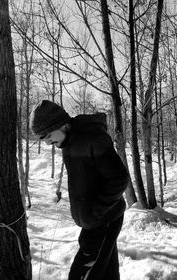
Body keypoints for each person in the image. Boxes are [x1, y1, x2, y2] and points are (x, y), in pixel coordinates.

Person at [29, 100, 129, 280]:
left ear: (61, 124)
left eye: (48, 135)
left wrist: (95, 212)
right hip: (95, 220)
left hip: (104, 219)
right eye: (42, 139)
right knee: (106, 273)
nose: (47, 142)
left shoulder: (91, 138)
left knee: (81, 275)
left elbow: (119, 178)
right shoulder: (69, 142)